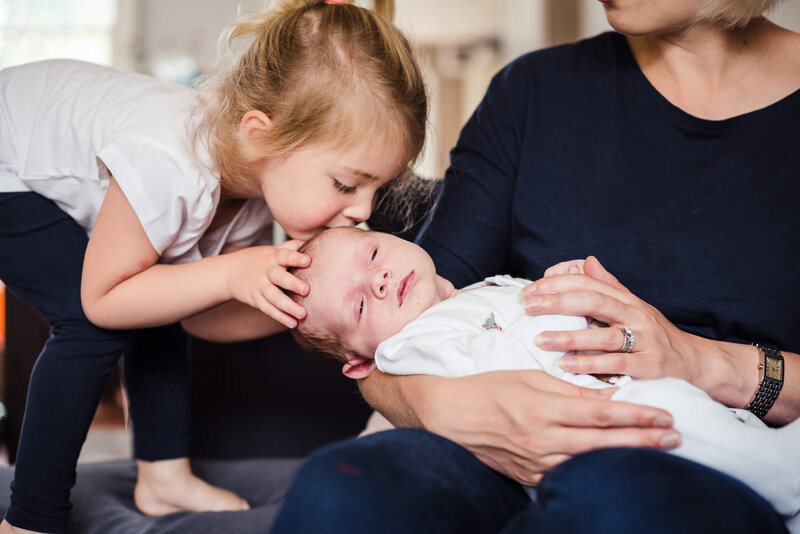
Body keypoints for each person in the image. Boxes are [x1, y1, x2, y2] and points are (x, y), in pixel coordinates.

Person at [271, 0, 800, 532]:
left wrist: (708, 363)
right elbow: (396, 324)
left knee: (613, 498)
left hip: (702, 451)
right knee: (340, 490)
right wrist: (444, 406)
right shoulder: (534, 92)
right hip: (496, 454)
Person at [0, 0, 427, 532]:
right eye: (346, 183)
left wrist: (286, 303)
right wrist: (231, 274)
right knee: (90, 324)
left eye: (377, 188)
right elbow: (104, 298)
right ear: (259, 132)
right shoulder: (172, 164)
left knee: (164, 292)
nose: (363, 210)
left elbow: (193, 314)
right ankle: (29, 518)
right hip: (8, 162)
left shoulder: (249, 196)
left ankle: (162, 477)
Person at [282, 226, 800, 526]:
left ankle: (769, 467)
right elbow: (475, 368)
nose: (380, 280)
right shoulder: (407, 346)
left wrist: (570, 289)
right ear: (360, 360)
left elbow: (538, 317)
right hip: (588, 426)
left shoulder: (484, 288)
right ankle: (783, 478)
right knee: (669, 415)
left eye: (374, 255)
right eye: (356, 306)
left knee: (688, 417)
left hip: (636, 390)